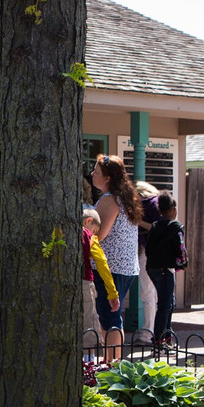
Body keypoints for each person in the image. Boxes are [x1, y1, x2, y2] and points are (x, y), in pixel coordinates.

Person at [90, 154, 142, 359]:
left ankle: (113, 364)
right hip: (125, 267)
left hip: (111, 267)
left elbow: (98, 234)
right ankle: (112, 361)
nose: (92, 174)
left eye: (96, 171)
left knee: (109, 317)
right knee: (110, 315)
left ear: (108, 177)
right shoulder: (124, 198)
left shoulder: (109, 200)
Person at [145, 191, 185, 348]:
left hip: (152, 268)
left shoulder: (155, 226)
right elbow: (180, 247)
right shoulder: (176, 226)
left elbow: (148, 248)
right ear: (173, 209)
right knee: (164, 304)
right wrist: (182, 262)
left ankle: (167, 337)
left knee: (169, 302)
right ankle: (160, 340)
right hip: (165, 269)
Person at [82, 208, 119, 360]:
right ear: (89, 221)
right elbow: (102, 264)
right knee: (89, 322)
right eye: (95, 230)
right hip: (85, 282)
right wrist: (112, 293)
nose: (95, 233)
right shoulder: (88, 236)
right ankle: (88, 362)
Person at [134, 181, 161, 345]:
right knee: (157, 295)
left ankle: (147, 333)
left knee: (148, 293)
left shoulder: (148, 204)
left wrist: (139, 222)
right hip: (158, 253)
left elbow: (158, 227)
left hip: (150, 252)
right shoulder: (158, 202)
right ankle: (159, 333)